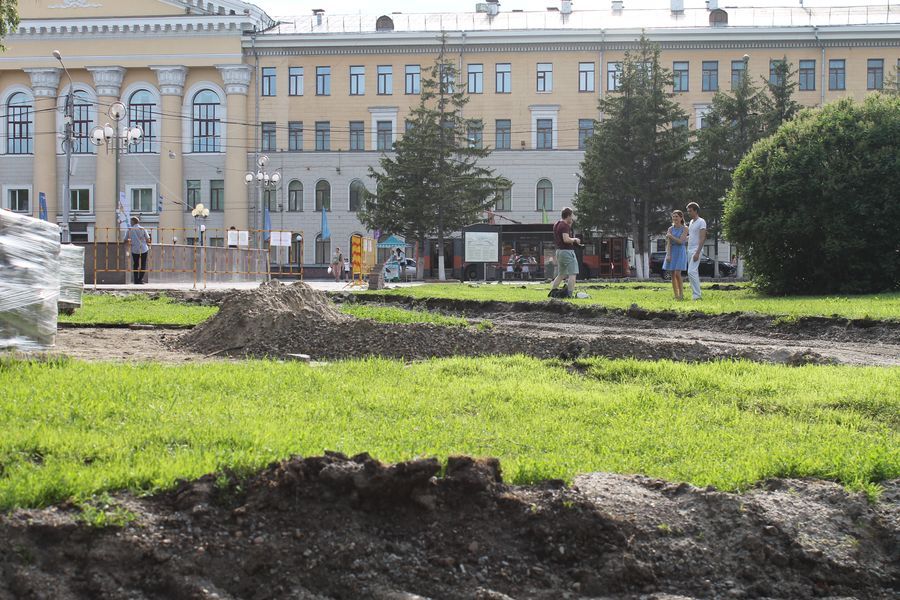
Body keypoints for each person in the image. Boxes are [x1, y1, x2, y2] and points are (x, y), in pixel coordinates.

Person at [549, 207, 581, 298]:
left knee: (561, 274)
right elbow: (566, 239)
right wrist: (575, 239)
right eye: (571, 216)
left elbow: (562, 236)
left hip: (559, 251)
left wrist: (570, 225)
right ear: (568, 216)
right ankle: (570, 294)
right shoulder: (564, 226)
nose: (572, 218)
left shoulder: (557, 224)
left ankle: (552, 292)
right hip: (567, 252)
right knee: (573, 273)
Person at [662, 210, 688, 300]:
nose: (675, 218)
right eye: (673, 216)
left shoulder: (685, 228)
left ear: (681, 218)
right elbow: (668, 243)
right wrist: (668, 255)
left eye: (676, 216)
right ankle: (676, 295)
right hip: (672, 251)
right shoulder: (670, 229)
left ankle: (681, 294)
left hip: (680, 251)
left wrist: (671, 236)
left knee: (677, 273)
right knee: (672, 273)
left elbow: (681, 241)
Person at [686, 202, 707, 300]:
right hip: (689, 249)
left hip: (696, 250)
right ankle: (696, 294)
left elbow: (702, 238)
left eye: (690, 211)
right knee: (693, 273)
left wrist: (698, 252)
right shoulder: (691, 222)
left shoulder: (701, 221)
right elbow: (691, 236)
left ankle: (697, 295)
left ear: (696, 210)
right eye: (688, 211)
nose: (688, 213)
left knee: (691, 271)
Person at [126, 216, 150, 285]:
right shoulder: (143, 229)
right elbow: (148, 239)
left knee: (135, 265)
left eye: (131, 221)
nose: (130, 223)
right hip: (144, 248)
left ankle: (136, 280)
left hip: (135, 249)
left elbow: (125, 239)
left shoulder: (130, 229)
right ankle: (140, 280)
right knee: (143, 264)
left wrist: (129, 241)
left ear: (133, 222)